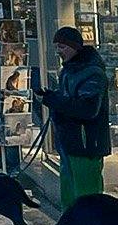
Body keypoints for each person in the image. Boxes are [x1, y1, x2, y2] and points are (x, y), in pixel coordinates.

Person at [39, 26, 110, 209]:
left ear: (74, 47)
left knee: (87, 197)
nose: (59, 52)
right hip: (69, 142)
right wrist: (52, 96)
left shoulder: (92, 73)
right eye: (56, 47)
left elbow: (87, 109)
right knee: (69, 196)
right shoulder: (69, 71)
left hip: (86, 144)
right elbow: (69, 99)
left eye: (62, 47)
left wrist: (53, 100)